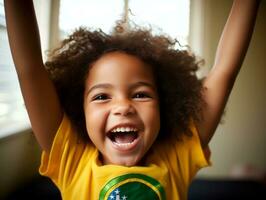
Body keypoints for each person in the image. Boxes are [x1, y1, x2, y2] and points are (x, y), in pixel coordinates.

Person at [4, 0, 260, 199]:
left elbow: (224, 70)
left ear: (165, 105)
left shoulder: (177, 156)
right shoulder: (73, 160)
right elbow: (30, 69)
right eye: (102, 96)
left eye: (140, 94)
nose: (123, 106)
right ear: (79, 110)